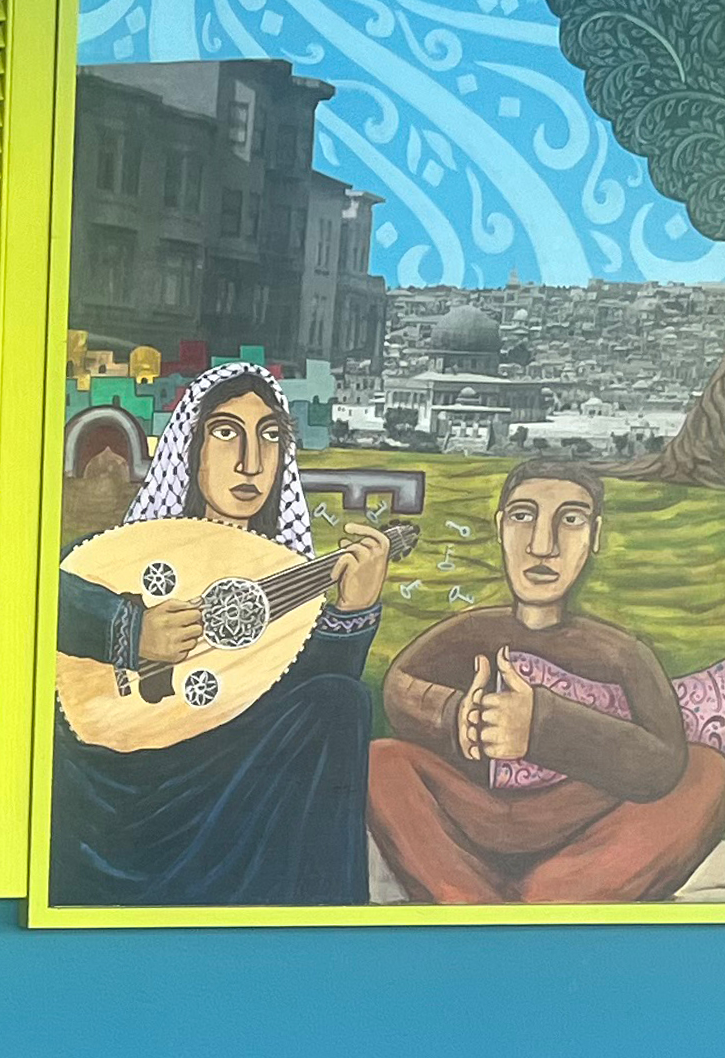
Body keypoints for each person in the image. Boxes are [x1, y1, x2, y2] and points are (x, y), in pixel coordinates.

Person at [49, 360, 391, 906]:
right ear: (191, 450)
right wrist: (133, 630)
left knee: (340, 701)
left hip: (234, 772)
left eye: (270, 436)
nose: (251, 462)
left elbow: (299, 699)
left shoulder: (285, 573)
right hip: (125, 780)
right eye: (227, 432)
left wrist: (350, 615)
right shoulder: (121, 554)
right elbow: (42, 595)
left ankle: (318, 933)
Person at [367, 458, 725, 902]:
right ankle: (473, 904)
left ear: (594, 537)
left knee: (707, 772)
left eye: (570, 520)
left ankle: (544, 903)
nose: (542, 545)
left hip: (584, 826)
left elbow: (663, 761)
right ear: (500, 528)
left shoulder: (621, 653)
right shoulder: (472, 632)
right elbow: (400, 685)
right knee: (380, 760)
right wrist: (455, 714)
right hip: (477, 817)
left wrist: (541, 725)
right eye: (523, 516)